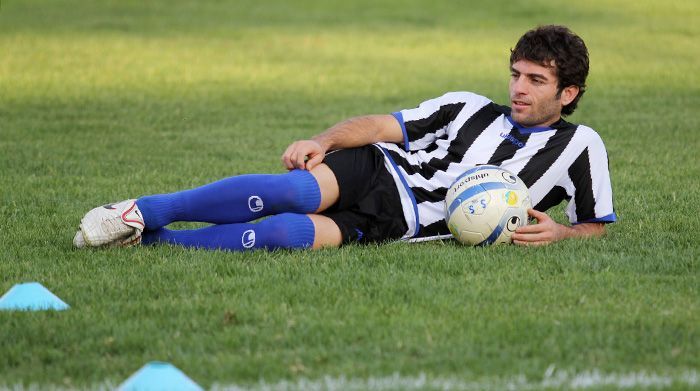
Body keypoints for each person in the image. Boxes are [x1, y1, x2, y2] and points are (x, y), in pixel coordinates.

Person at [74, 25, 616, 251]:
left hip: (405, 222)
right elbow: (384, 127)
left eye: (536, 81)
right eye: (516, 74)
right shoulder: (467, 106)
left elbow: (597, 225)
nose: (518, 88)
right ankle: (141, 211)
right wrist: (325, 140)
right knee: (294, 190)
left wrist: (564, 235)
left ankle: (152, 244)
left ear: (568, 93)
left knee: (286, 237)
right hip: (379, 168)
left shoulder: (581, 147)